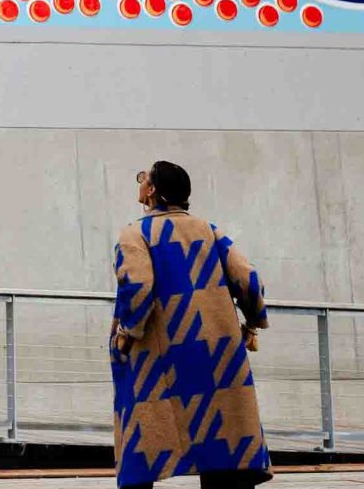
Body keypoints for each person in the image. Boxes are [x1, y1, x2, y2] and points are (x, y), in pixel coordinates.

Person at [111, 161, 272, 489]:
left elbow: (138, 286)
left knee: (146, 444)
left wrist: (129, 331)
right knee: (224, 448)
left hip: (160, 359)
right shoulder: (209, 231)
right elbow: (248, 278)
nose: (140, 182)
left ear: (152, 191)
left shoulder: (136, 234)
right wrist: (253, 322)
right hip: (217, 356)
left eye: (144, 178)